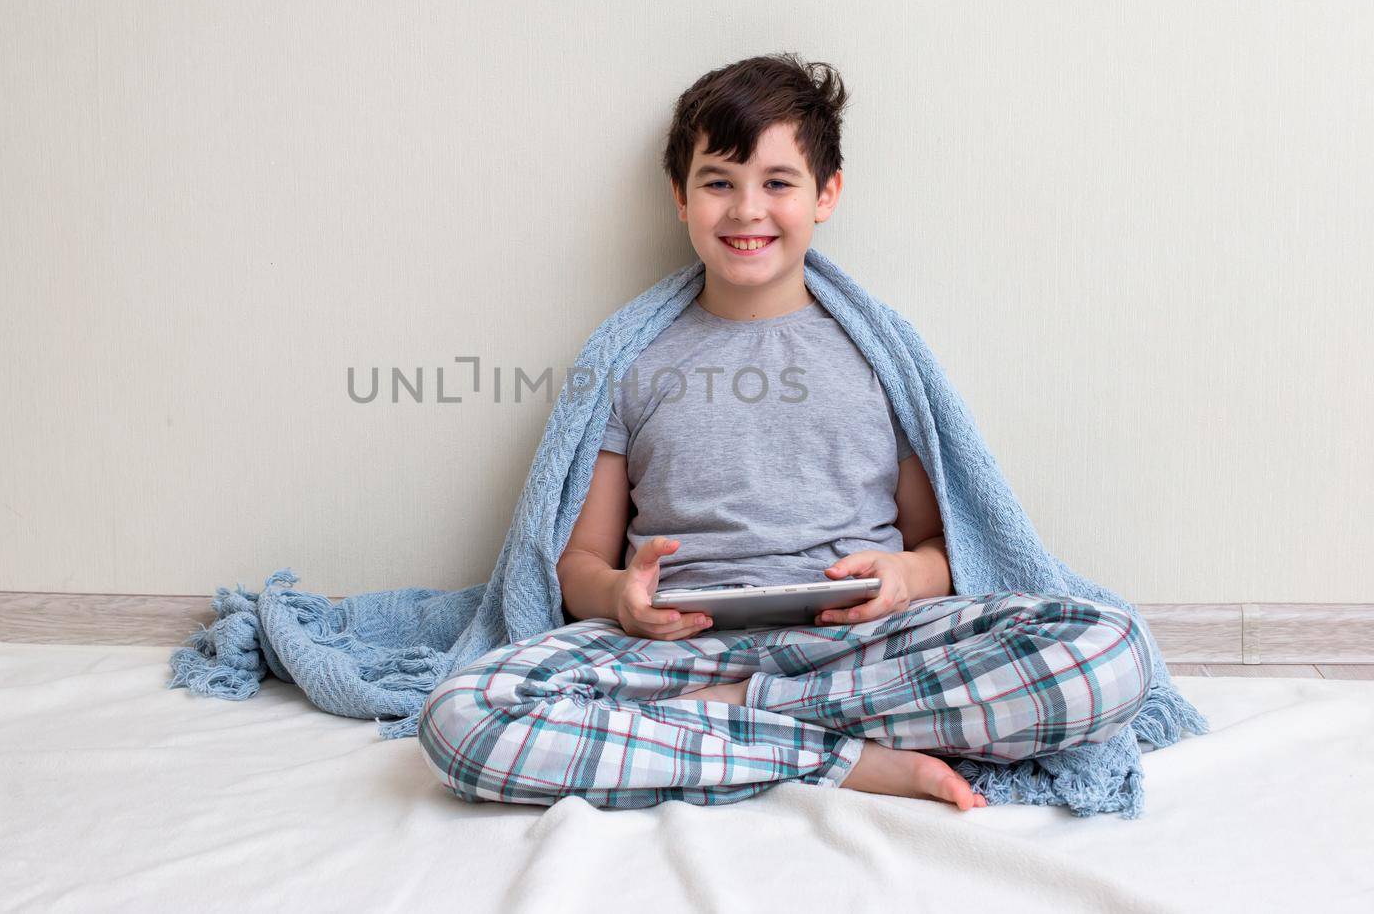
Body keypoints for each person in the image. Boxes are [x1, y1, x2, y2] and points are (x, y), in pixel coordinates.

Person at [416, 53, 1153, 811]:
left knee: (1111, 653)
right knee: (463, 717)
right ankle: (843, 756)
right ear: (680, 194)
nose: (745, 211)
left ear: (825, 193)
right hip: (683, 652)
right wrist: (623, 598)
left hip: (862, 650)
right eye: (718, 182)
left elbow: (946, 547)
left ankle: (733, 721)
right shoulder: (631, 363)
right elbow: (576, 564)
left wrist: (904, 578)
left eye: (776, 183)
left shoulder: (876, 355)